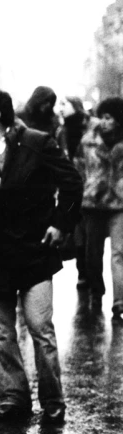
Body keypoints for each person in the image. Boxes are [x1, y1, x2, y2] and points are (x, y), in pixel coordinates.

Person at [0, 88, 82, 423]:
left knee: (42, 330)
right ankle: (13, 398)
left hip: (35, 252)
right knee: (2, 334)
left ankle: (53, 402)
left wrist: (61, 224)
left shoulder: (37, 142)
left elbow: (71, 182)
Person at [76, 97, 123, 318]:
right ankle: (97, 291)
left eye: (109, 118)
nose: (103, 122)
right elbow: (79, 168)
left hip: (119, 203)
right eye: (102, 117)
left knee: (118, 253)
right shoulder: (88, 141)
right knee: (92, 254)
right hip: (92, 203)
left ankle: (119, 302)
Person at [58, 96, 93, 288]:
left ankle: (91, 274)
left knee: (89, 234)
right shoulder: (61, 131)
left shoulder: (89, 127)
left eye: (64, 104)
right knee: (78, 232)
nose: (60, 109)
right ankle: (83, 272)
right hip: (72, 188)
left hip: (91, 187)